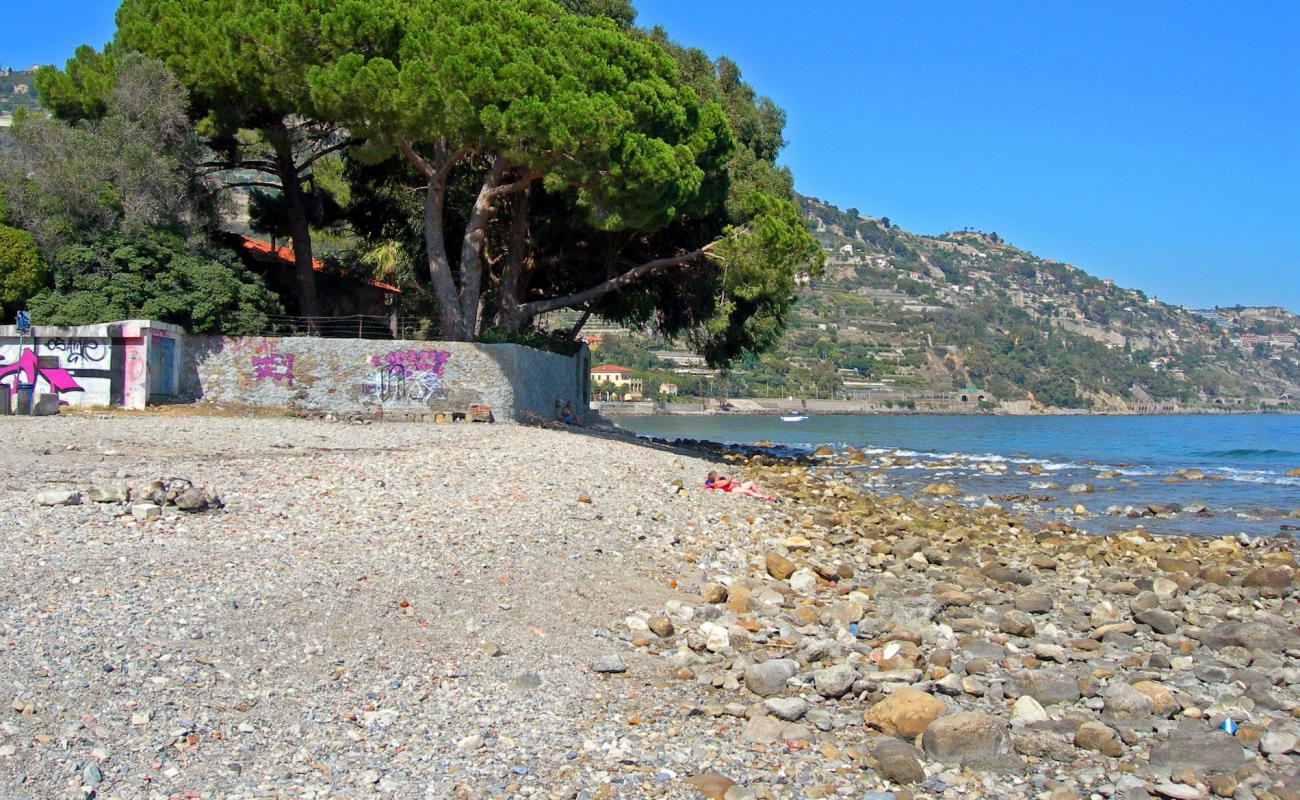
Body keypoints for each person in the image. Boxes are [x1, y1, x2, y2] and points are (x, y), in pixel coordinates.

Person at [704, 471, 773, 500]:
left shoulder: (718, 481)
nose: (718, 475)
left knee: (751, 482)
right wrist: (730, 478)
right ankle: (763, 497)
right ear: (715, 477)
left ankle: (759, 494)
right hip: (733, 489)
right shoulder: (717, 483)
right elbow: (727, 483)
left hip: (737, 486)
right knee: (748, 491)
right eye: (717, 475)